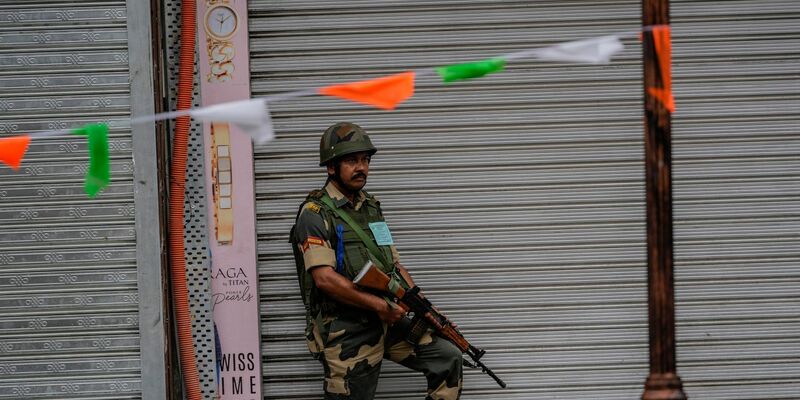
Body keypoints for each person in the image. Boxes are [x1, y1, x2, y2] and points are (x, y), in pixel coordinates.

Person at [290, 122, 463, 399]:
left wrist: (423, 307)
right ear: (331, 167)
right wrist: (381, 306)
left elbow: (393, 265)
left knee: (448, 357)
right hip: (346, 331)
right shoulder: (314, 213)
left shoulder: (370, 207)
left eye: (365, 160)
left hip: (387, 321)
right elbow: (324, 279)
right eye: (351, 160)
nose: (361, 167)